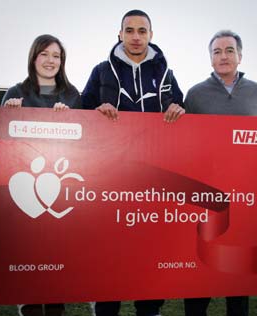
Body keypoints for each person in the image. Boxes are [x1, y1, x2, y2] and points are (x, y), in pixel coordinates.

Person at [81, 9, 185, 316]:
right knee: (109, 248)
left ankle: (149, 307)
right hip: (111, 179)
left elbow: (183, 113)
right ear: (120, 35)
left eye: (142, 30)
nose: (136, 36)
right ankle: (106, 306)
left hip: (154, 180)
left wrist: (180, 110)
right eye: (130, 30)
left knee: (149, 246)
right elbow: (82, 112)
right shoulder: (102, 71)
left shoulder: (166, 74)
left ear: (151, 35)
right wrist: (96, 111)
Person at [183, 30, 257, 316]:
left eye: (229, 50)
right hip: (206, 197)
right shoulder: (196, 94)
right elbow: (186, 143)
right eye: (217, 51)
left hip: (244, 198)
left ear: (240, 55)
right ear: (210, 57)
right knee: (200, 274)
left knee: (238, 277)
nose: (223, 56)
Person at [1, 34, 81, 316]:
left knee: (57, 257)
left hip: (60, 184)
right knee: (29, 260)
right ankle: (28, 307)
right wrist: (10, 116)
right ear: (34, 57)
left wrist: (69, 118)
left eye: (56, 56)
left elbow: (84, 143)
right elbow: (4, 144)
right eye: (44, 54)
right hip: (24, 189)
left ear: (63, 61)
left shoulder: (72, 95)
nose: (50, 61)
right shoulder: (15, 93)